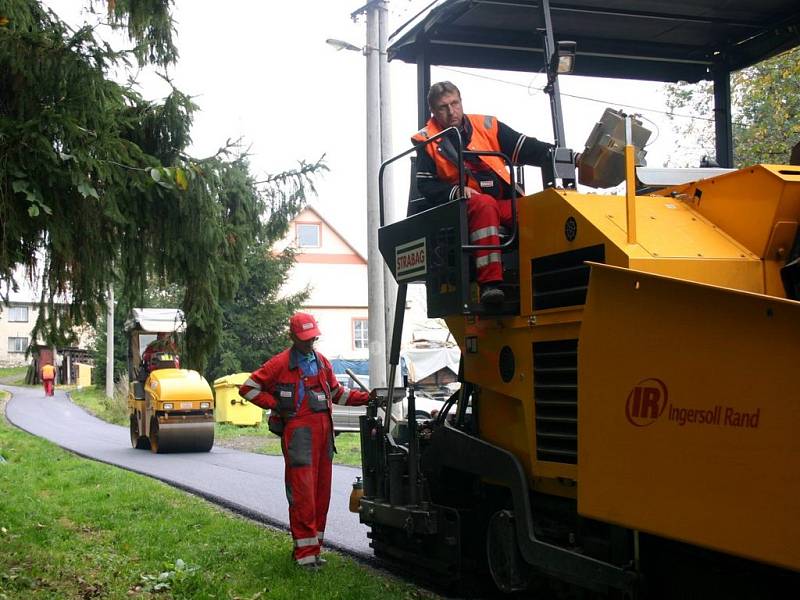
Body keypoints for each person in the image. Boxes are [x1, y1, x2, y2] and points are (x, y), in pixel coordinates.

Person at [238, 312, 375, 569]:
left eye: (312, 338)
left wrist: (368, 398)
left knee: (321, 494)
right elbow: (248, 388)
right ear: (292, 337)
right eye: (304, 339)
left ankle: (314, 550)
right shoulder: (279, 363)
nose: (309, 343)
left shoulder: (321, 361)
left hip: (324, 435)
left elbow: (336, 393)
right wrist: (276, 404)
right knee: (303, 495)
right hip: (299, 435)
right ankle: (305, 555)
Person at [412, 81, 555, 305]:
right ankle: (490, 284)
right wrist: (456, 191)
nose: (451, 111)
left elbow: (524, 146)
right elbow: (426, 186)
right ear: (433, 111)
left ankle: (546, 274)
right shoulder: (427, 140)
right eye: (443, 107)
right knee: (484, 204)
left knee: (534, 209)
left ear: (461, 101)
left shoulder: (486, 125)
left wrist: (561, 155)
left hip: (499, 203)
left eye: (455, 103)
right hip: (458, 210)